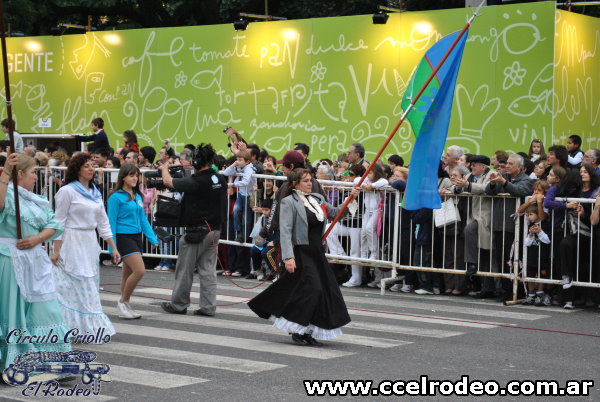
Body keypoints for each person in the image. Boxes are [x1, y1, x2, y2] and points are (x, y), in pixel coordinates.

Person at [248, 168, 360, 346]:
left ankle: (307, 330)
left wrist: (350, 199)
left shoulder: (318, 199)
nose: (310, 183)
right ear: (295, 183)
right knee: (312, 289)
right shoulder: (288, 202)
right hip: (299, 252)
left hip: (316, 252)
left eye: (311, 180)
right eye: (306, 180)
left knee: (322, 291)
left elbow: (335, 214)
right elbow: (285, 231)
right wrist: (288, 258)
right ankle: (297, 329)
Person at [0, 153, 69, 371]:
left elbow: (54, 225)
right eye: (32, 173)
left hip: (34, 260)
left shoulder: (37, 200)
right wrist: (4, 172)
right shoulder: (7, 193)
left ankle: (52, 359)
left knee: (46, 309)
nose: (35, 177)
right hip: (10, 258)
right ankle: (14, 361)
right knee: (14, 311)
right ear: (19, 173)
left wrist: (37, 238)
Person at [51, 153, 121, 339]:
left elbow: (103, 223)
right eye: (87, 165)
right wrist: (56, 249)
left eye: (92, 165)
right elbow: (59, 222)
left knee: (89, 283)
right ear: (77, 169)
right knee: (70, 286)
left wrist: (113, 247)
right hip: (71, 240)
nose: (91, 168)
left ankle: (88, 328)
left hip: (89, 241)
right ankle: (68, 328)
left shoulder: (95, 193)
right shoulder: (67, 191)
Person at [159, 144, 228, 316]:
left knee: (184, 270)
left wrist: (164, 168)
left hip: (197, 232)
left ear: (197, 161)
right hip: (214, 231)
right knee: (208, 271)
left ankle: (179, 305)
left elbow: (168, 182)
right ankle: (208, 307)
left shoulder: (197, 181)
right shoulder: (219, 179)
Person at [108, 164, 159, 319]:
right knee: (140, 270)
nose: (135, 178)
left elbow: (142, 219)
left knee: (127, 273)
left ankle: (125, 304)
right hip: (123, 237)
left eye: (136, 175)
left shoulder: (137, 195)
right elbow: (111, 223)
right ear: (123, 177)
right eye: (131, 175)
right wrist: (112, 249)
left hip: (136, 237)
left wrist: (152, 238)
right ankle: (123, 301)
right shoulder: (115, 197)